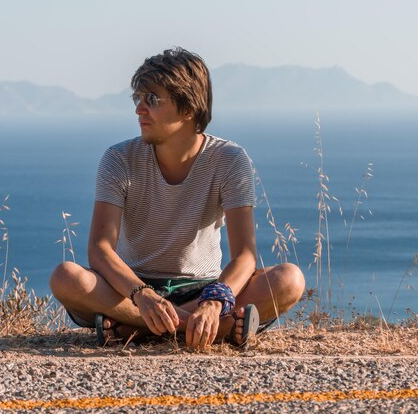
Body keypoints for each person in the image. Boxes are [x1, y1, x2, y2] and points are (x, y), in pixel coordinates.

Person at [50, 47, 305, 349]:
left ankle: (135, 328)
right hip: (131, 288)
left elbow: (245, 256)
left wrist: (213, 302)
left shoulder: (229, 159)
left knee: (289, 280)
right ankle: (206, 329)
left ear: (187, 109)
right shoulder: (118, 158)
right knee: (66, 277)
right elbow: (100, 249)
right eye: (138, 99)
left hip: (204, 289)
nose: (139, 109)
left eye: (152, 100)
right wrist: (143, 296)